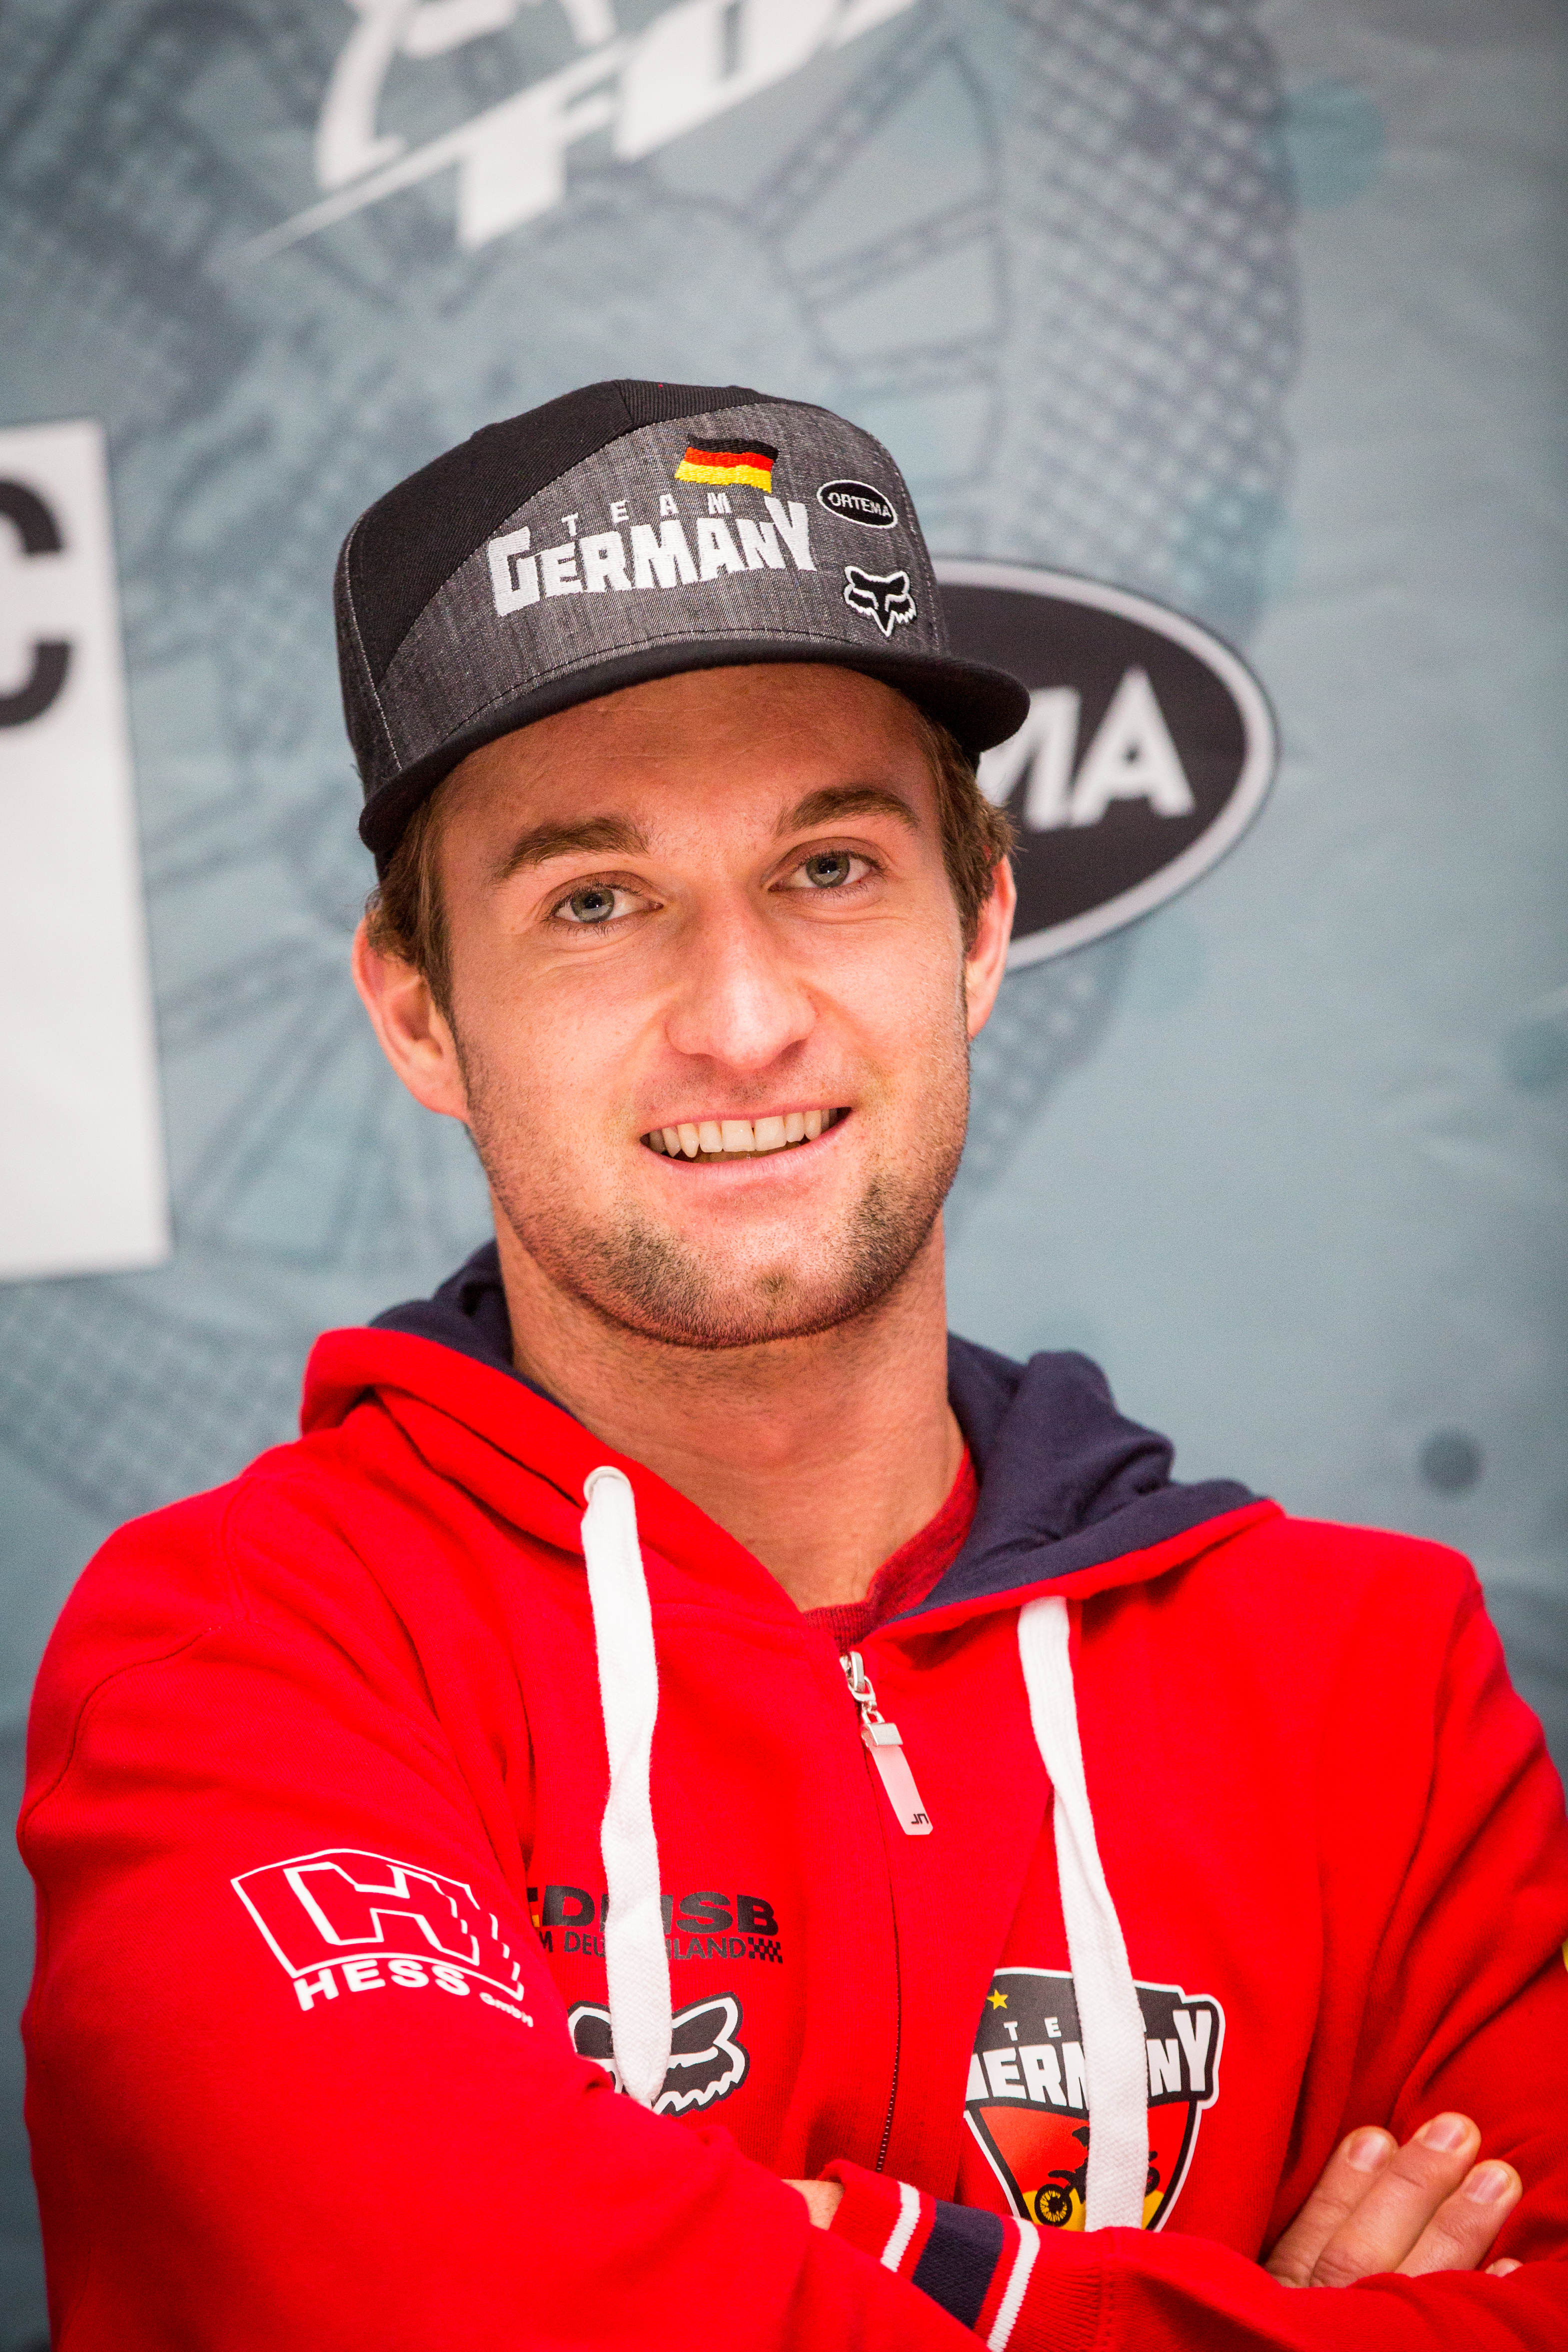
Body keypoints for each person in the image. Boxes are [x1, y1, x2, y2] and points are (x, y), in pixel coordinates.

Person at [19, 379, 1568, 2350]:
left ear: (977, 926)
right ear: (418, 1012)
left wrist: (855, 2259)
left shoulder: (1372, 1685)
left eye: (828, 867)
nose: (741, 1017)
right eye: (595, 901)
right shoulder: (240, 1662)